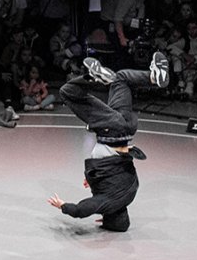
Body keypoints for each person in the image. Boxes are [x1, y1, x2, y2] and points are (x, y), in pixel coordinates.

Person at [48, 52, 169, 232]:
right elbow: (82, 210)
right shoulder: (107, 201)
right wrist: (63, 206)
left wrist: (94, 178)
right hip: (111, 130)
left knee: (120, 78)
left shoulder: (129, 192)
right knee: (68, 92)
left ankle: (154, 77)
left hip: (126, 129)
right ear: (109, 216)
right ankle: (93, 78)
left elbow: (119, 168)